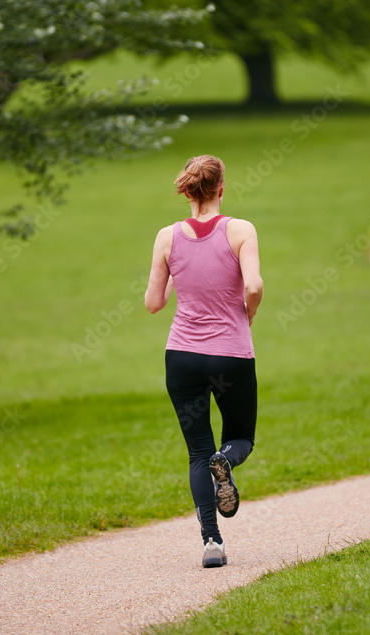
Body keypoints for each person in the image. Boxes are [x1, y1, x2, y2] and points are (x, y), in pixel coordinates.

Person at [144, 154, 264, 568]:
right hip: (230, 355)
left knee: (198, 452)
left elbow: (153, 304)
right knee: (241, 438)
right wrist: (248, 313)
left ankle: (212, 543)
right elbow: (253, 284)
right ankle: (226, 462)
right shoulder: (241, 230)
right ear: (221, 189)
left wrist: (181, 273)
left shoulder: (166, 237)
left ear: (188, 192)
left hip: (181, 358)